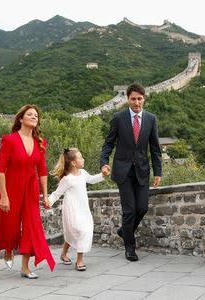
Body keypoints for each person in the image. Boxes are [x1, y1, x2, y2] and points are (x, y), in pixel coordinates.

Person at [0, 104, 55, 279]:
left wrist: (45, 195)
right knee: (10, 226)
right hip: (11, 188)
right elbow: (0, 170)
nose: (34, 117)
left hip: (31, 190)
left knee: (31, 227)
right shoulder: (9, 140)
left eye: (36, 115)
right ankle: (9, 249)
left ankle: (25, 267)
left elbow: (42, 171)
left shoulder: (40, 143)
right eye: (30, 114)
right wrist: (4, 195)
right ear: (21, 118)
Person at [100, 83, 162, 262]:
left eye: (139, 99)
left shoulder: (151, 119)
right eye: (133, 99)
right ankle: (130, 247)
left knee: (142, 208)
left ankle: (124, 231)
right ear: (128, 99)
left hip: (142, 170)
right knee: (129, 211)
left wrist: (158, 172)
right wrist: (104, 162)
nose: (136, 102)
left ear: (144, 99)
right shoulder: (118, 118)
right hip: (123, 171)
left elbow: (155, 148)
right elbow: (108, 143)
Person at [46, 148, 105, 271]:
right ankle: (79, 260)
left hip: (83, 208)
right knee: (79, 231)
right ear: (73, 162)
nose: (83, 159)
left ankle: (63, 254)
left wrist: (102, 174)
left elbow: (92, 180)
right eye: (81, 157)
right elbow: (57, 193)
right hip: (72, 209)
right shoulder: (67, 179)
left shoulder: (83, 173)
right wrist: (49, 201)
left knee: (78, 233)